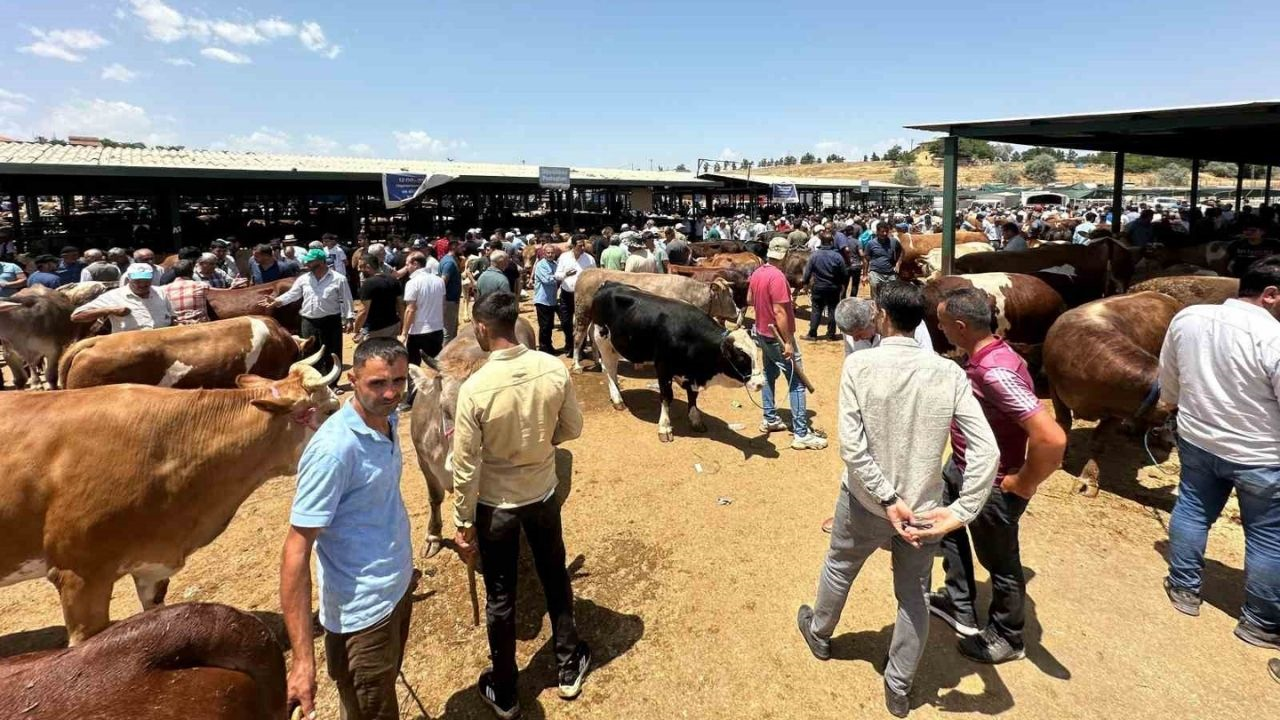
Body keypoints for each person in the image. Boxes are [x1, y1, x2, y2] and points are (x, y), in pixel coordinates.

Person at [796, 281, 999, 718]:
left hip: (866, 503)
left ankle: (820, 631)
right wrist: (961, 512)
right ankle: (900, 685)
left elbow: (852, 448)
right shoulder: (948, 373)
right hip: (925, 512)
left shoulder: (859, 367)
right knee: (914, 596)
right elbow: (988, 450)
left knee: (840, 565)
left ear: (882, 317)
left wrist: (887, 498)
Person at [451, 292, 590, 719]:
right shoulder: (552, 368)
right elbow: (573, 428)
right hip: (543, 492)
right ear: (516, 321)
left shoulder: (474, 389)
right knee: (553, 575)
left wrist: (461, 520)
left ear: (480, 328)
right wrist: (544, 443)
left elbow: (464, 464)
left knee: (500, 593)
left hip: (496, 504)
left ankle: (506, 687)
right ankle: (568, 667)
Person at [930, 287, 1068, 662]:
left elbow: (1051, 438)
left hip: (989, 483)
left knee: (1000, 562)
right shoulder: (989, 356)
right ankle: (957, 601)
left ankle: (1008, 636)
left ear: (960, 326)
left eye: (943, 324)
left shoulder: (995, 371)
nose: (939, 330)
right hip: (963, 466)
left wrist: (1022, 483)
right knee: (951, 536)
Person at [282, 338, 415, 720]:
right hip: (362, 612)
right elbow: (296, 550)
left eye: (398, 381)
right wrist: (302, 661)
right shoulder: (332, 451)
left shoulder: (387, 417)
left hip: (398, 586)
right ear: (353, 380)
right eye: (377, 383)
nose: (390, 393)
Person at [1158, 256, 1280, 651]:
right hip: (1261, 454)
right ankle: (1259, 622)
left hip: (1197, 438)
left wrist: (1173, 404)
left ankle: (1184, 589)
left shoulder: (1189, 318)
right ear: (1271, 295)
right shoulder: (1275, 339)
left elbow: (1169, 375)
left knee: (1192, 509)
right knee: (1267, 537)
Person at [750, 238, 827, 450]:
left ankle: (770, 417)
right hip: (778, 336)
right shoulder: (778, 278)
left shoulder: (758, 273)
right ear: (784, 256)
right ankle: (801, 433)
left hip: (762, 332)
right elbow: (780, 312)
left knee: (769, 374)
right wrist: (788, 342)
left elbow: (749, 298)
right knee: (797, 381)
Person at [264, 248, 354, 389]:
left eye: (311, 261)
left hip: (330, 320)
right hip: (308, 320)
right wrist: (277, 301)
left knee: (332, 352)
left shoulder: (338, 279)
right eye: (307, 261)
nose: (307, 264)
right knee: (310, 352)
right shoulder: (304, 279)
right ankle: (315, 383)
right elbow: (293, 294)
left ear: (321, 262)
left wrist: (349, 318)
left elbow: (347, 299)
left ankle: (333, 385)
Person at [71, 263, 175, 332]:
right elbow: (76, 316)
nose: (142, 284)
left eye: (146, 281)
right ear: (129, 278)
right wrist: (110, 310)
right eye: (138, 281)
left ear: (152, 278)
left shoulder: (161, 292)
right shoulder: (113, 296)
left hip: (161, 346)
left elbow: (172, 318)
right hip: (129, 348)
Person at [401, 252, 446, 366]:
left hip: (418, 331)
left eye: (407, 264)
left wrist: (404, 333)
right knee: (435, 365)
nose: (407, 267)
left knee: (413, 365)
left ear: (415, 264)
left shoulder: (412, 283)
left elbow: (410, 309)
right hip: (437, 329)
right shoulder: (439, 280)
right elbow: (443, 304)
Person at [802, 231, 848, 340]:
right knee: (832, 310)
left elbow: (807, 272)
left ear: (821, 242)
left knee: (816, 310)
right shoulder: (837, 256)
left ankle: (812, 334)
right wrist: (842, 284)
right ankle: (831, 335)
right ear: (832, 242)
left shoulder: (814, 255)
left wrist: (805, 283)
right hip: (833, 288)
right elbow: (844, 273)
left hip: (818, 287)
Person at [554, 238, 596, 356]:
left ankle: (579, 348)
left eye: (583, 245)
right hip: (567, 293)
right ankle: (570, 343)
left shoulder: (589, 259)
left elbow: (595, 275)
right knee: (566, 322)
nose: (582, 248)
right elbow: (557, 275)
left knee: (582, 323)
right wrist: (565, 274)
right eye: (579, 246)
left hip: (584, 296)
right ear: (572, 246)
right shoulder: (564, 257)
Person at [353, 255, 401, 341]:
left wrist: (356, 330)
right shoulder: (393, 280)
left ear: (368, 267)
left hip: (376, 329)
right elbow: (400, 305)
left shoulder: (368, 284)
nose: (358, 269)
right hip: (393, 325)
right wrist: (402, 324)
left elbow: (363, 311)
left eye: (360, 266)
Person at [161, 259, 210, 324]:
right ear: (192, 273)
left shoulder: (163, 289)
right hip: (199, 325)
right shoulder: (201, 286)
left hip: (177, 326)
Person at [533, 244, 561, 354]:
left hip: (552, 300)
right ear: (544, 254)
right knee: (544, 326)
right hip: (543, 300)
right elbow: (547, 280)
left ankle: (548, 346)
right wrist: (561, 276)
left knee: (550, 325)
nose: (550, 255)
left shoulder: (555, 264)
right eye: (548, 253)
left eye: (552, 253)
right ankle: (544, 347)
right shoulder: (541, 265)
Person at [862, 222, 903, 297]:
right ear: (877, 232)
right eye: (882, 231)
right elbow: (865, 259)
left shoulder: (893, 242)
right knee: (876, 296)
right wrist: (865, 275)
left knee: (891, 296)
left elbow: (901, 252)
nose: (884, 233)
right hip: (876, 273)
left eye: (886, 231)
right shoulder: (871, 244)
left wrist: (898, 264)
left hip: (890, 273)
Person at [438, 239, 463, 343]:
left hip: (451, 301)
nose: (462, 249)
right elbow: (443, 282)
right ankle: (444, 357)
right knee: (448, 333)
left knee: (452, 330)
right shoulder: (449, 263)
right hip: (449, 302)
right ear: (454, 247)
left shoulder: (450, 260)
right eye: (460, 247)